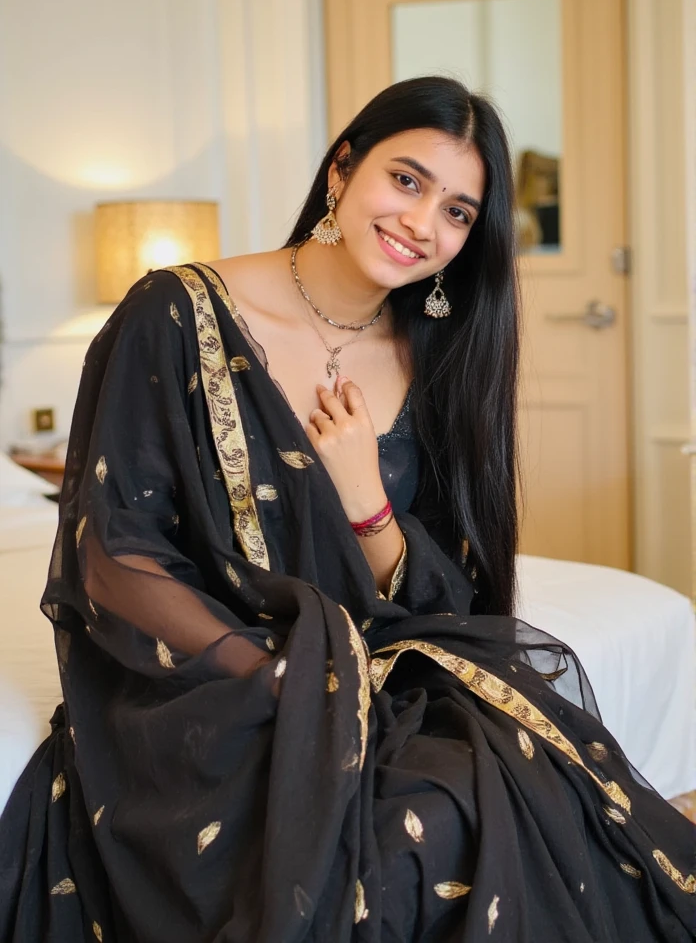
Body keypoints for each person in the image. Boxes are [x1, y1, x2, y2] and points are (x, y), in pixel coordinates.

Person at [0, 76, 693, 943]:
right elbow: (116, 555)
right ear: (341, 171)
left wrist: (365, 501)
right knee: (410, 843)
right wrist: (278, 680)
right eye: (406, 180)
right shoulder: (175, 313)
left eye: (457, 212)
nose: (422, 223)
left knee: (508, 791)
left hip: (378, 669)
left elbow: (457, 596)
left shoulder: (439, 354)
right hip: (201, 685)